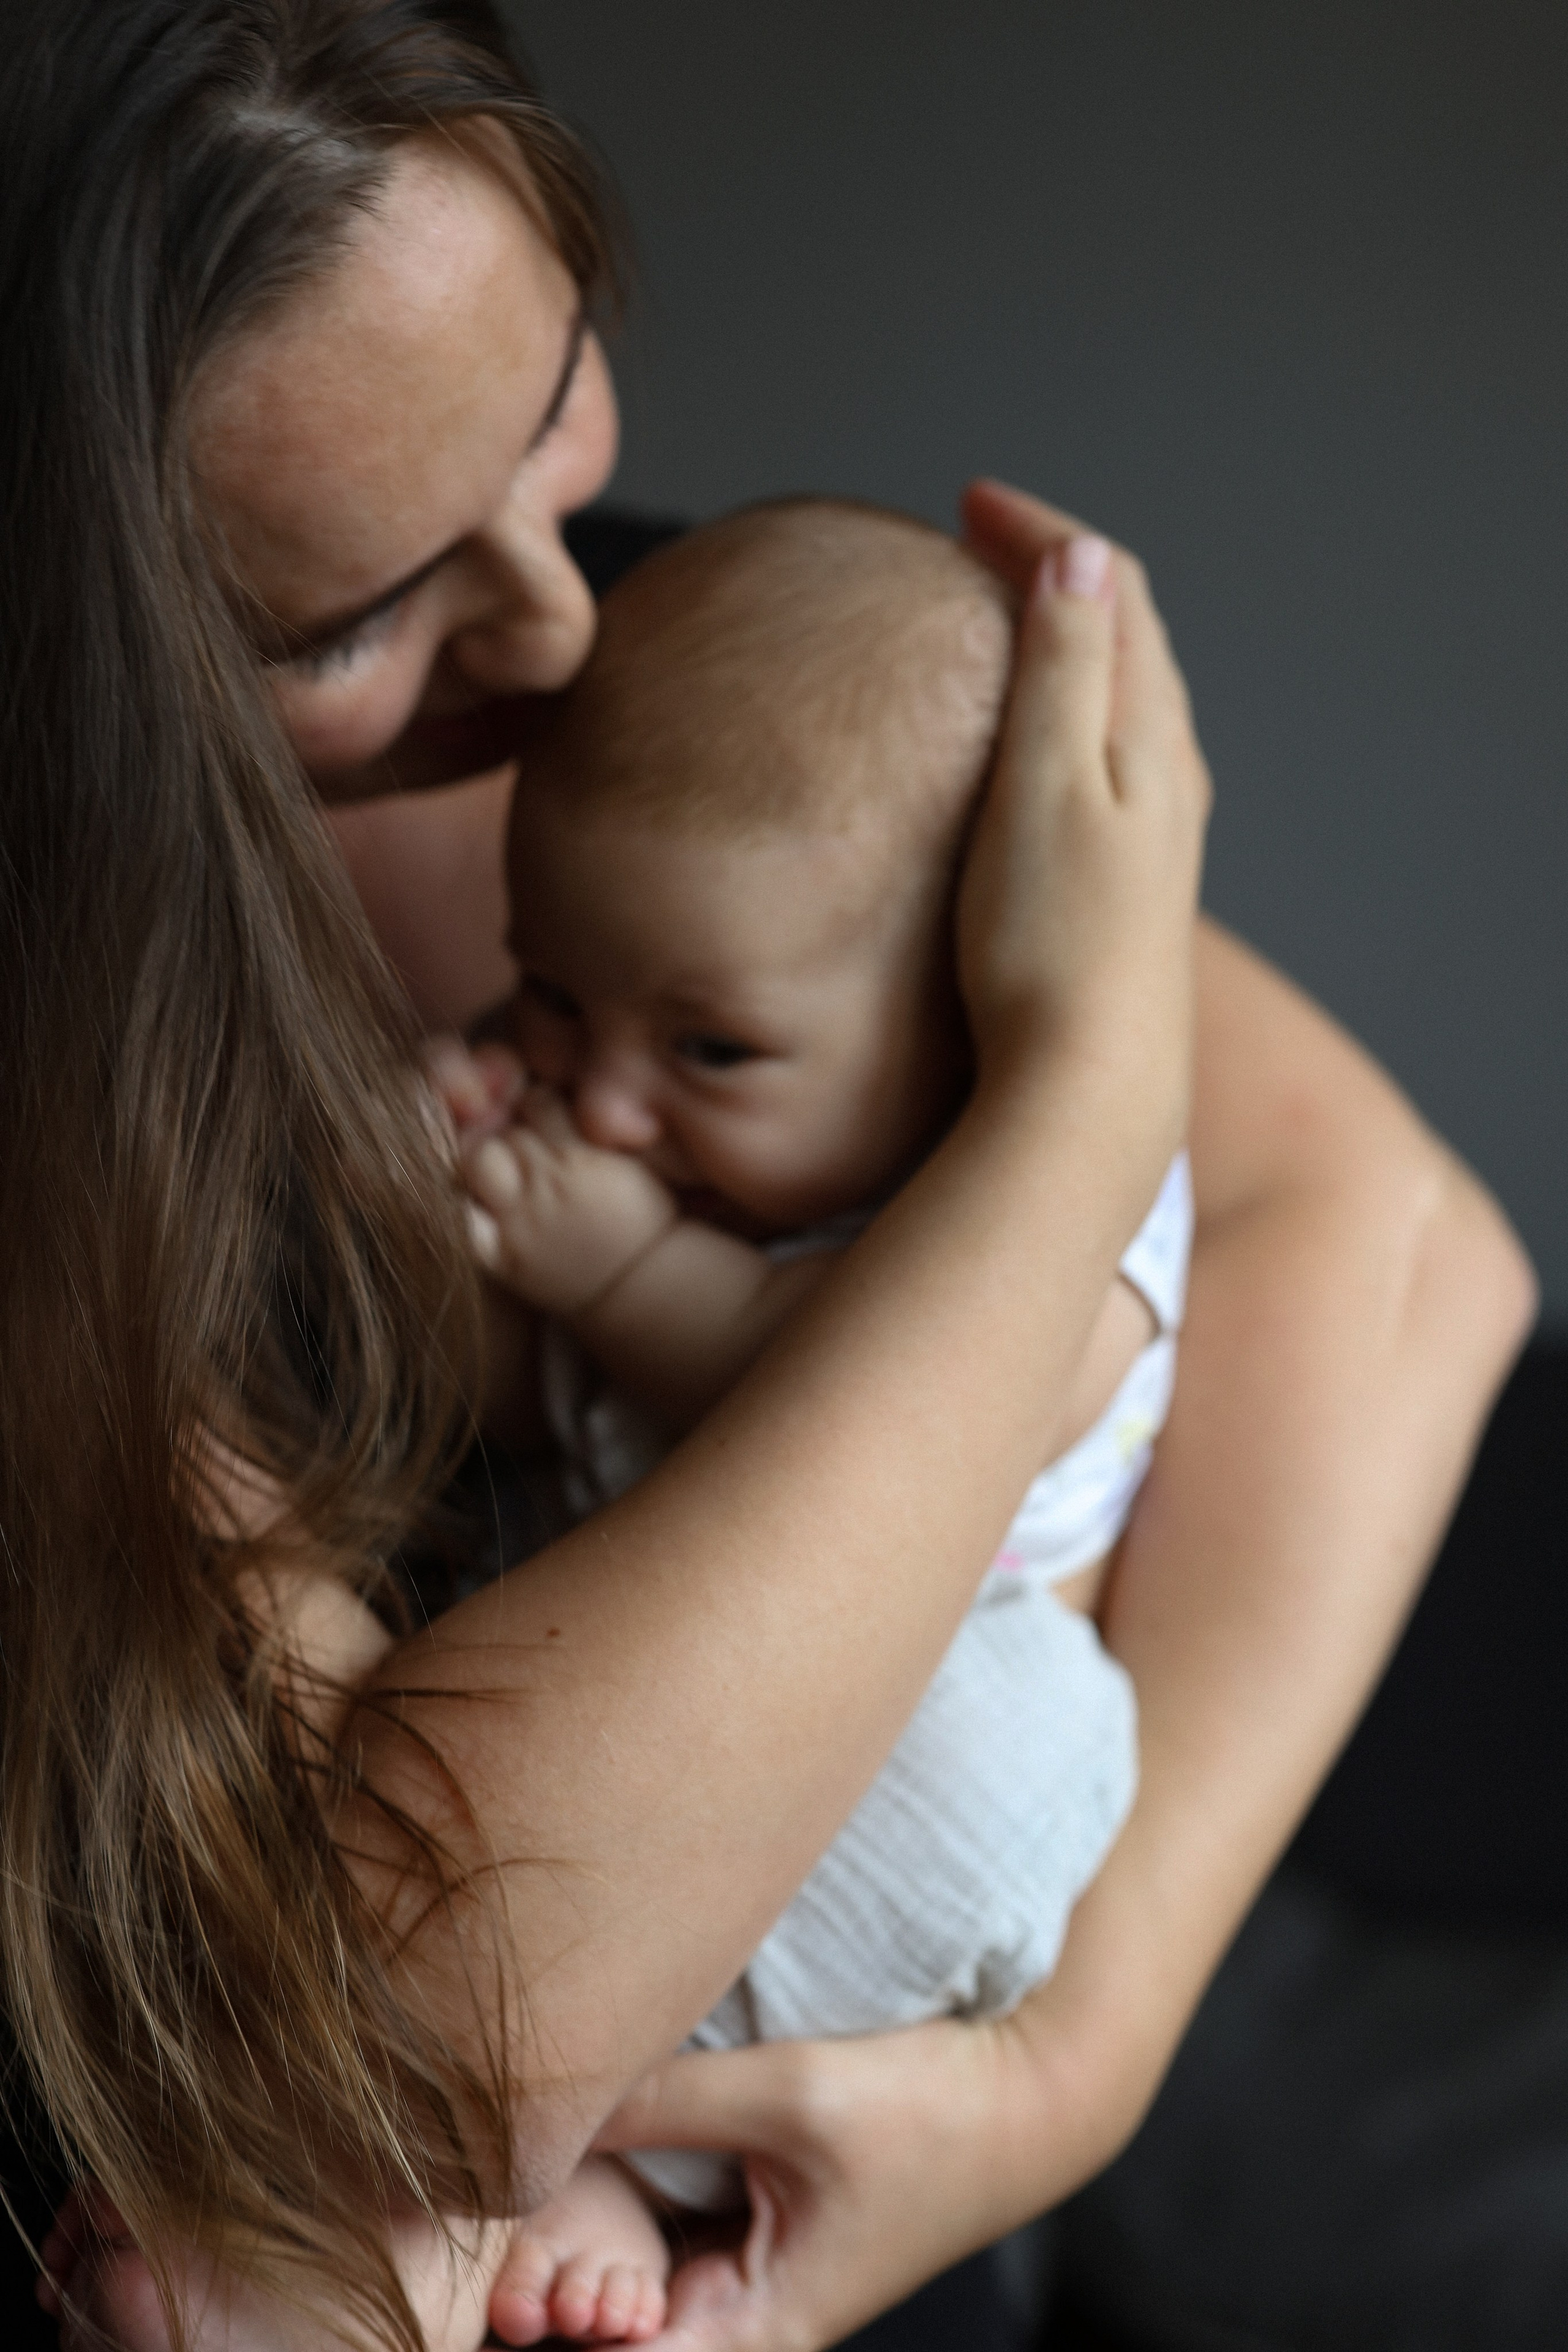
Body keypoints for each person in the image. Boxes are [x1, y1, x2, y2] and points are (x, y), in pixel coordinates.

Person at [1, 6, 1530, 2350]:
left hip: (1004, 1911)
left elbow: (1404, 1243)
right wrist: (1084, 1085)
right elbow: (445, 2029)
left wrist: (1068, 2063)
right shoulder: (69, 1095)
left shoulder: (651, 673)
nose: (559, 622)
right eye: (349, 615)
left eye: (550, 400)